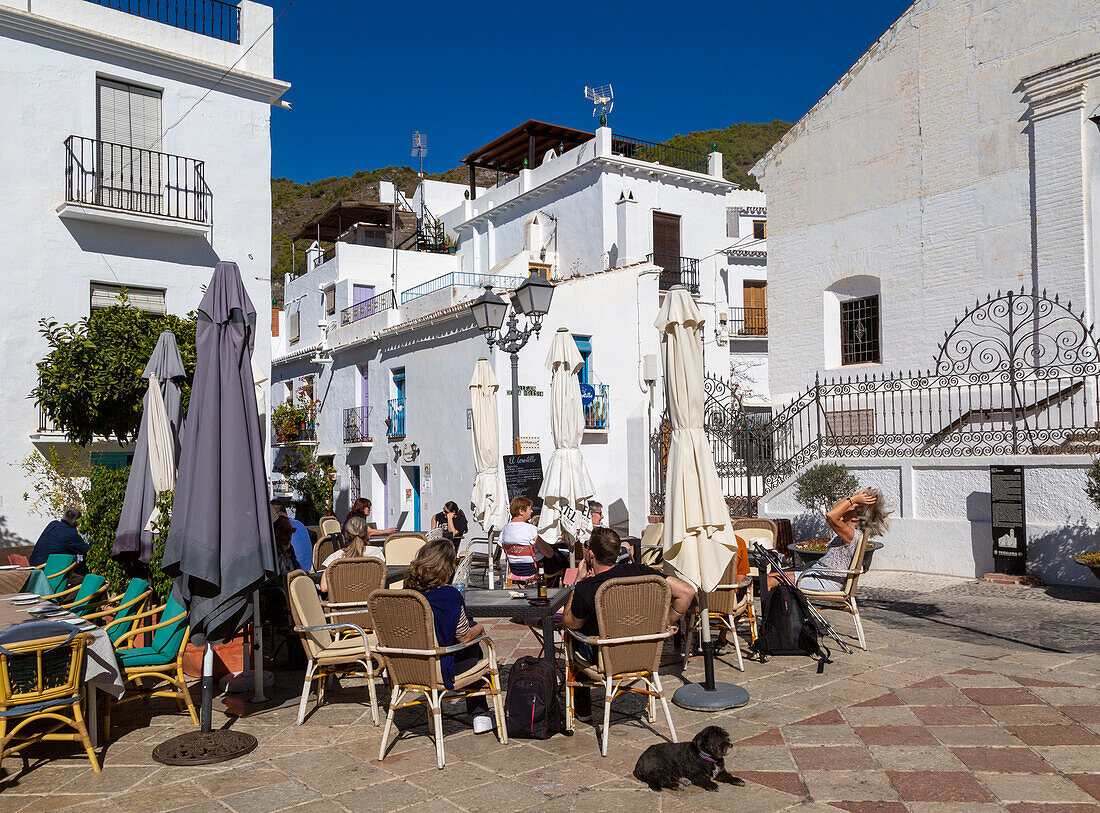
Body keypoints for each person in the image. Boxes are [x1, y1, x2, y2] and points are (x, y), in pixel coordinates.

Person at [561, 526, 696, 721]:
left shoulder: (587, 587)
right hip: (645, 654)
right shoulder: (640, 571)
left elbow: (570, 623)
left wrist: (577, 582)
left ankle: (583, 711)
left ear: (590, 554)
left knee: (573, 636)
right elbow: (687, 592)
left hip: (606, 658)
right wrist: (664, 621)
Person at [404, 539, 496, 734]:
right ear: (447, 566)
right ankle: (480, 714)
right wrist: (479, 628)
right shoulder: (448, 595)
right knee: (474, 645)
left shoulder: (406, 595)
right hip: (437, 669)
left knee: (465, 629)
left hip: (408, 666)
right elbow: (463, 638)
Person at [768, 488, 891, 591]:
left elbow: (831, 515)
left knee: (770, 581)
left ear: (856, 517)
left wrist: (853, 500)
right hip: (818, 574)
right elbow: (835, 507)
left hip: (826, 581)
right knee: (767, 577)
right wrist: (854, 496)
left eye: (850, 505)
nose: (845, 506)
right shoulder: (849, 530)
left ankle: (767, 618)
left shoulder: (853, 535)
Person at [500, 497, 567, 581]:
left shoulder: (505, 530)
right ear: (521, 511)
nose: (532, 511)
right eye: (529, 509)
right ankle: (561, 590)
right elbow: (549, 554)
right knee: (561, 559)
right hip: (535, 569)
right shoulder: (531, 530)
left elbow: (503, 547)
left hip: (516, 570)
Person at [319, 515, 385, 593]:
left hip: (342, 602)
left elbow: (324, 587)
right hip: (370, 602)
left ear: (346, 534)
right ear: (366, 533)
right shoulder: (376, 553)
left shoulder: (336, 557)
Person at [271, 499, 312, 573]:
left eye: (292, 531)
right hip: (308, 571)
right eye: (287, 532)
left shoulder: (281, 526)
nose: (290, 536)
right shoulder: (299, 524)